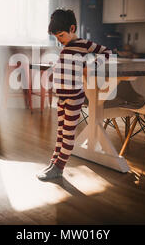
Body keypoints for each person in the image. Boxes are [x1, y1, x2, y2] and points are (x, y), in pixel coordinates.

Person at [37, 9, 112, 180]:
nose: (59, 40)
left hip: (74, 97)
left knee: (68, 133)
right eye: (56, 37)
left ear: (72, 28)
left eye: (61, 35)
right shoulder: (67, 47)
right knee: (60, 132)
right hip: (62, 97)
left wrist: (92, 66)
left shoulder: (84, 44)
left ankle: (59, 167)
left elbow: (107, 52)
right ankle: (53, 163)